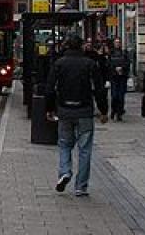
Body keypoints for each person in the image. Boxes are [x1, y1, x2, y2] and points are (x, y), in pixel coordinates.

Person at [45, 34, 107, 197]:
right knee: (85, 149)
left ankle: (65, 172)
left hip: (64, 110)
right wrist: (103, 111)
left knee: (64, 145)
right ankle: (81, 186)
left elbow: (50, 88)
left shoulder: (59, 63)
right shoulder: (90, 64)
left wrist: (49, 109)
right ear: (81, 46)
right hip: (85, 111)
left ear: (66, 45)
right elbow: (99, 89)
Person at [107, 37, 130, 121]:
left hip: (122, 77)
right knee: (114, 96)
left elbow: (128, 63)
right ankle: (114, 110)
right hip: (114, 77)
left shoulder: (124, 53)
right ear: (114, 43)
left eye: (119, 42)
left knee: (121, 96)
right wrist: (114, 68)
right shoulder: (111, 53)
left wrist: (122, 68)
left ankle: (119, 113)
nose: (117, 44)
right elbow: (108, 64)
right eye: (116, 42)